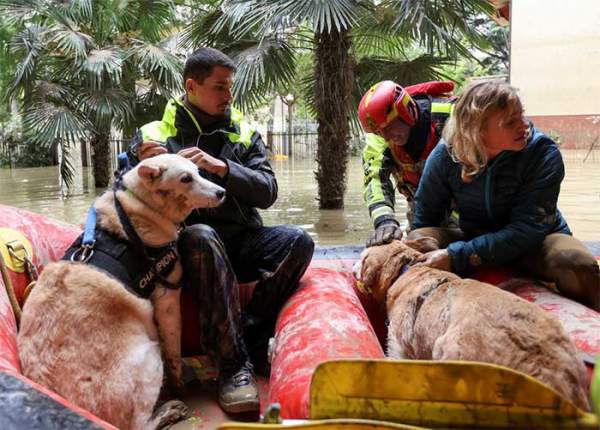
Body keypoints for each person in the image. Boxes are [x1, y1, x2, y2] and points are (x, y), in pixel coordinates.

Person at [127, 47, 315, 413]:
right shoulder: (152, 134)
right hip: (183, 251)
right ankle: (233, 368)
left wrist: (224, 167)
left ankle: (250, 336)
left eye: (230, 87)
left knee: (298, 241)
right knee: (200, 237)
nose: (228, 96)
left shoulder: (243, 131)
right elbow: (125, 196)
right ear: (191, 86)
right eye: (219, 88)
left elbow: (268, 191)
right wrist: (137, 164)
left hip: (239, 241)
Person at [408, 80, 599, 311]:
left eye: (522, 115)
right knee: (419, 239)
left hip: (536, 242)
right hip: (474, 236)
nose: (524, 126)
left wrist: (458, 256)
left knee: (576, 263)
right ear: (477, 130)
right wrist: (433, 254)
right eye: (510, 122)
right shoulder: (446, 155)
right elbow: (426, 216)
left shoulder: (542, 153)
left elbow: (528, 229)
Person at [359, 80, 456, 248]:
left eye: (389, 127)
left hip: (463, 203)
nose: (387, 137)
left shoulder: (451, 116)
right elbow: (374, 179)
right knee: (416, 242)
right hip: (419, 206)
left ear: (406, 111)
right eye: (379, 132)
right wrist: (385, 221)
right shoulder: (379, 137)